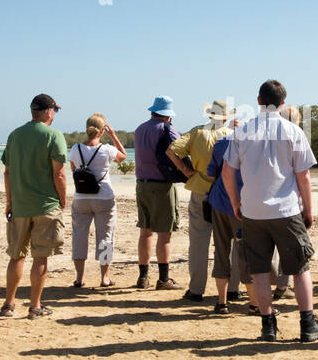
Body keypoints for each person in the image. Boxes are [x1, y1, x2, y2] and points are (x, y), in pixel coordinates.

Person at [222, 80, 318, 343]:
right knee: (300, 267)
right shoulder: (293, 131)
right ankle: (307, 323)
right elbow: (303, 175)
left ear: (259, 100)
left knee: (259, 269)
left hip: (253, 210)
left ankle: (268, 325)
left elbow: (228, 173)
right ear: (283, 103)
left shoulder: (242, 132)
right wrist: (309, 209)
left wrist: (236, 203)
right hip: (285, 209)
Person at [0, 94, 67, 318]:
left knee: (16, 255)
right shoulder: (53, 135)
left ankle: (8, 304)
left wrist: (9, 201)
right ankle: (34, 305)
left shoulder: (15, 135)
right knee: (40, 257)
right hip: (45, 205)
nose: (55, 115)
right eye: (54, 111)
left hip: (20, 205)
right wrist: (63, 199)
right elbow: (58, 173)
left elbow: (7, 172)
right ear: (49, 112)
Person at [168, 100, 234, 302]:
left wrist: (187, 171)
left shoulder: (197, 132)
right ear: (225, 116)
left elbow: (171, 151)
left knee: (198, 242)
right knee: (230, 242)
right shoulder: (232, 135)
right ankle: (233, 289)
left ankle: (196, 289)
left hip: (201, 188)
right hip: (227, 192)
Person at [69, 114, 124, 290]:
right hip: (104, 196)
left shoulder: (75, 148)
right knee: (105, 238)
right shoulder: (106, 149)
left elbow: (74, 170)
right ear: (102, 131)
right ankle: (105, 277)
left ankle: (79, 278)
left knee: (79, 236)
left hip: (81, 197)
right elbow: (122, 156)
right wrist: (114, 136)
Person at [133, 97, 181, 290]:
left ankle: (143, 277)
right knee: (164, 234)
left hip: (141, 184)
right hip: (162, 185)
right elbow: (181, 151)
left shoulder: (139, 129)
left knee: (145, 232)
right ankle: (163, 279)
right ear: (168, 115)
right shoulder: (167, 129)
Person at [204, 124, 249, 315]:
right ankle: (254, 302)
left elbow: (211, 173)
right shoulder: (252, 145)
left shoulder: (221, 143)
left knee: (221, 250)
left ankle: (221, 302)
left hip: (220, 201)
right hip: (243, 204)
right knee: (246, 253)